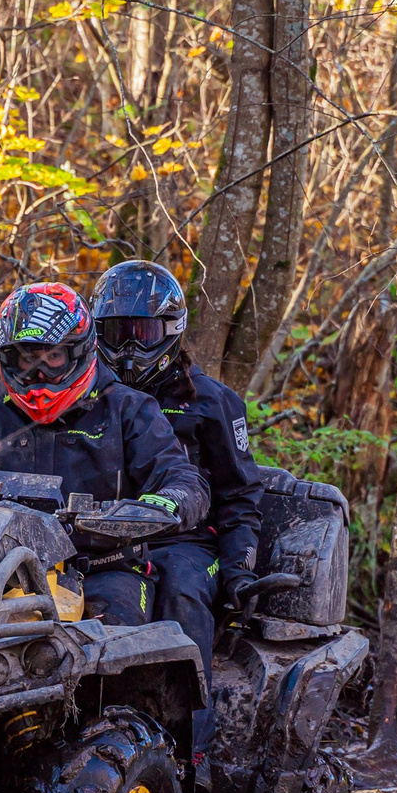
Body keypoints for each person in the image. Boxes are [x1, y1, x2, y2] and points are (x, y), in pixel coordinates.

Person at [0, 282, 209, 633]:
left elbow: (182, 478)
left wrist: (164, 503)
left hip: (103, 569)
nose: (40, 374)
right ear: (8, 358)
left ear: (79, 352)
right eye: (27, 359)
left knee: (114, 638)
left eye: (52, 358)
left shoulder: (129, 408)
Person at [90, 260, 263, 672]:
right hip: (97, 538)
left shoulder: (212, 401)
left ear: (171, 330)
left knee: (180, 591)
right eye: (118, 334)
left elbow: (239, 494)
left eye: (143, 334)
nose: (129, 349)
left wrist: (239, 570)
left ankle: (190, 710)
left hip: (186, 542)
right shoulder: (86, 399)